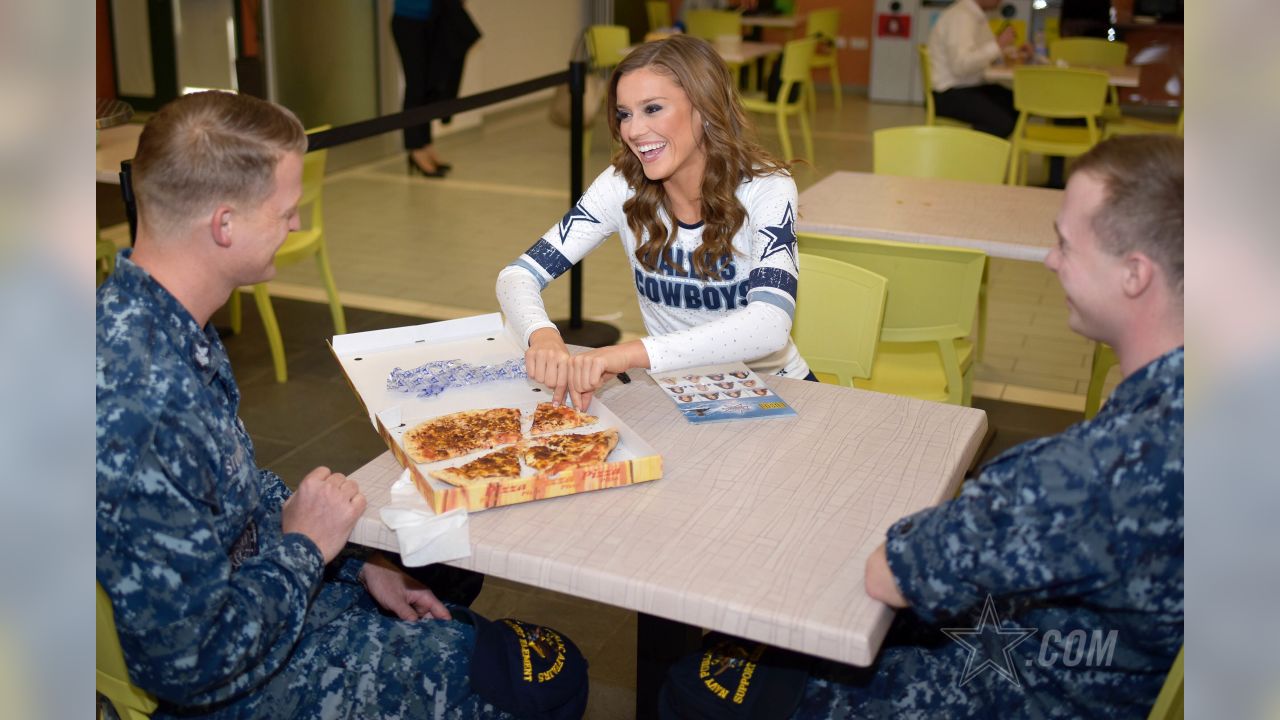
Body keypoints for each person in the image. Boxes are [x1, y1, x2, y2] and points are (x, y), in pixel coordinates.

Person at [96, 91, 575, 718]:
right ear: (224, 225)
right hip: (226, 683)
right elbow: (191, 662)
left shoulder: (150, 316)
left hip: (257, 598)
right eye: (285, 210)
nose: (295, 225)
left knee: (440, 569)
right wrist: (309, 551)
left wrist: (355, 565)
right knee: (545, 677)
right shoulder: (143, 398)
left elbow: (224, 500)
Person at [782, 134, 1183, 717]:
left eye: (1066, 245)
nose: (1050, 259)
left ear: (1135, 275)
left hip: (1011, 691)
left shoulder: (1091, 473)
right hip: (1115, 671)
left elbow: (890, 576)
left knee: (710, 682)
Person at [496, 35, 811, 410]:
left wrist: (630, 354)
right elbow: (516, 276)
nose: (633, 130)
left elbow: (770, 325)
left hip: (775, 388)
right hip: (680, 392)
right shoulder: (620, 185)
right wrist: (541, 334)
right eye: (624, 114)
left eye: (653, 108)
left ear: (705, 107)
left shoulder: (766, 188)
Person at [391, 0, 479, 177]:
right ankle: (415, 149)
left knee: (430, 85)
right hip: (409, 19)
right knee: (416, 86)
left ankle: (426, 144)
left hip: (436, 18)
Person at [927, 0, 1028, 137]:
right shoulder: (961, 17)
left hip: (967, 85)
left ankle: (992, 153)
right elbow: (961, 65)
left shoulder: (975, 15)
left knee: (1018, 103)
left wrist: (1015, 52)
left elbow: (985, 55)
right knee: (1001, 121)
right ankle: (974, 154)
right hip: (948, 93)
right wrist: (998, 45)